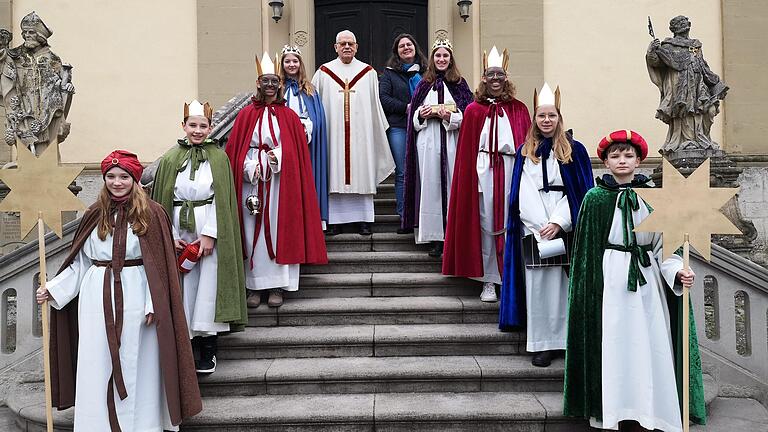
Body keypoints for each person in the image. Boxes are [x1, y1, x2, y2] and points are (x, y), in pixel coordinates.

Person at [37, 150, 202, 431]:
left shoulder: (153, 213)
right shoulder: (94, 214)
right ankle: (96, 425)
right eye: (111, 177)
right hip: (96, 296)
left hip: (138, 294)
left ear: (135, 179)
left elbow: (161, 266)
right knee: (97, 361)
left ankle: (141, 425)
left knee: (140, 361)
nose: (117, 182)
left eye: (124, 176)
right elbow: (81, 263)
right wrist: (54, 289)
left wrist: (155, 303)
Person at [563, 130, 707, 431]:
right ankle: (614, 410)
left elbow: (664, 246)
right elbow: (586, 253)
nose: (622, 160)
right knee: (614, 344)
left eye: (628, 155)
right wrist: (592, 290)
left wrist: (677, 270)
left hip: (646, 282)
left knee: (648, 343)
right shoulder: (595, 198)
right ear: (605, 161)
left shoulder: (654, 197)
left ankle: (650, 410)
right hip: (610, 282)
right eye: (615, 155)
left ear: (639, 159)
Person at [498, 83, 593, 367]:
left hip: (564, 224)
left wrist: (558, 223)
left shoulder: (575, 149)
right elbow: (521, 192)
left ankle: (566, 340)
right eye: (542, 116)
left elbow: (580, 192)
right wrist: (541, 224)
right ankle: (543, 344)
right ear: (535, 119)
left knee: (564, 284)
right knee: (539, 286)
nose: (547, 120)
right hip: (534, 227)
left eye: (552, 115)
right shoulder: (526, 151)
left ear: (559, 118)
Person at [151, 100, 247, 374]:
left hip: (207, 223)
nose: (197, 130)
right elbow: (161, 201)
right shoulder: (170, 159)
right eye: (192, 125)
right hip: (179, 227)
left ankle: (208, 347)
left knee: (207, 286)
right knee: (183, 287)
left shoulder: (218, 158)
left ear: (210, 128)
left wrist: (210, 235)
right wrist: (169, 235)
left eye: (202, 126)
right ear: (183, 126)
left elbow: (223, 199)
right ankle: (185, 345)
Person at [227, 52, 327, 309]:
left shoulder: (289, 116)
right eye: (266, 81)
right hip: (252, 182)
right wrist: (249, 165)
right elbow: (236, 150)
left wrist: (277, 157)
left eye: (274, 81)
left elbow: (295, 150)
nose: (270, 86)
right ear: (259, 83)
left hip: (281, 183)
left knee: (279, 228)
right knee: (252, 231)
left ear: (279, 84)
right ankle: (254, 286)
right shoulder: (246, 114)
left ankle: (277, 286)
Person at [442, 46, 531, 302]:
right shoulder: (473, 110)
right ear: (483, 78)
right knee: (485, 222)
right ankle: (489, 280)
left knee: (512, 221)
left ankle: (511, 278)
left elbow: (526, 144)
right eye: (490, 74)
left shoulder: (519, 109)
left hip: (511, 167)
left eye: (499, 75)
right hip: (482, 171)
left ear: (506, 78)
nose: (495, 79)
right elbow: (465, 150)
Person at [312, 30, 394, 236]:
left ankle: (364, 220)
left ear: (357, 47)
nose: (347, 46)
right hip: (333, 134)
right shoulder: (323, 72)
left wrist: (376, 129)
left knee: (362, 171)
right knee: (334, 171)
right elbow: (313, 104)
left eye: (351, 43)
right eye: (343, 43)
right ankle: (335, 221)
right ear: (335, 47)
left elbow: (375, 106)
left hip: (362, 135)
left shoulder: (368, 72)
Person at [401, 38, 473, 257]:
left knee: (452, 187)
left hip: (452, 143)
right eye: (438, 56)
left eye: (445, 56)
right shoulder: (423, 84)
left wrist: (451, 116)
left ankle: (453, 235)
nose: (441, 59)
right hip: (429, 144)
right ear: (432, 59)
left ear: (451, 59)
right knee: (431, 190)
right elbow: (413, 118)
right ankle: (435, 238)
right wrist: (420, 115)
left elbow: (467, 114)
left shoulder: (460, 84)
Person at [646, 15, 728, 153]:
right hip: (677, 83)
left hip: (697, 83)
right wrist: (651, 51)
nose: (684, 25)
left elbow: (703, 65)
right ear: (674, 28)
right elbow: (656, 63)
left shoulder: (695, 45)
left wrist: (715, 82)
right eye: (680, 23)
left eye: (685, 22)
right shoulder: (667, 46)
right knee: (684, 110)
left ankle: (701, 138)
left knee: (704, 110)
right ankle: (685, 140)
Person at [0, 11, 75, 157]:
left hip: (46, 112)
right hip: (23, 108)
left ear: (40, 36)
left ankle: (46, 172)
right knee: (25, 150)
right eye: (24, 32)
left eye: (31, 32)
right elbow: (6, 75)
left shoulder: (52, 59)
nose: (26, 35)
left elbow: (61, 85)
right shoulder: (15, 56)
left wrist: (67, 87)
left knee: (46, 151)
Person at [379, 33, 427, 230]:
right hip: (399, 126)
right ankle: (404, 216)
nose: (406, 48)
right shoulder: (389, 74)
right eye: (401, 46)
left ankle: (422, 215)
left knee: (424, 171)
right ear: (396, 52)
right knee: (403, 172)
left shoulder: (427, 72)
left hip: (424, 126)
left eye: (409, 44)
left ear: (415, 47)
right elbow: (383, 98)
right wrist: (406, 107)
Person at [279, 44, 330, 229]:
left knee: (305, 178)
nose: (291, 65)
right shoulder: (277, 88)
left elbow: (316, 118)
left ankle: (308, 218)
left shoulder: (310, 89)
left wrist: (305, 127)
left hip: (305, 141)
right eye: (287, 61)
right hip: (282, 141)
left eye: (295, 61)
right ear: (282, 64)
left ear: (300, 64)